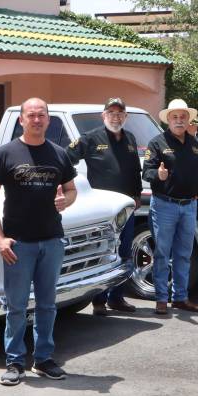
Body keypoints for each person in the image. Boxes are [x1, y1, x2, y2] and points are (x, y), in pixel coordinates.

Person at [0, 97, 78, 386]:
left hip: (51, 241)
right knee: (16, 305)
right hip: (18, 244)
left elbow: (71, 191)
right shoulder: (6, 153)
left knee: (48, 304)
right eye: (31, 115)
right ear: (21, 120)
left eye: (42, 115)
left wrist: (66, 201)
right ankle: (14, 362)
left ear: (48, 120)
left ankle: (43, 359)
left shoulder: (60, 154)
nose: (37, 120)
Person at [67, 97, 141, 315]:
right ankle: (98, 301)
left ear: (125, 116)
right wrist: (69, 184)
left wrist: (136, 195)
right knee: (104, 252)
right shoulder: (91, 138)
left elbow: (135, 169)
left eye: (119, 113)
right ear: (103, 115)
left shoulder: (130, 138)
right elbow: (65, 157)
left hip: (126, 207)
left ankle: (117, 298)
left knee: (125, 251)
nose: (115, 117)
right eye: (111, 113)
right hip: (103, 210)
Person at [143, 99, 198, 315]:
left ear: (188, 120)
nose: (179, 121)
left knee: (183, 254)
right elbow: (147, 173)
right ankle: (161, 299)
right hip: (164, 206)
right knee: (162, 253)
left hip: (190, 206)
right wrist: (158, 175)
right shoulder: (156, 143)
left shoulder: (194, 144)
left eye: (183, 117)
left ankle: (180, 297)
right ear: (168, 120)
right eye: (175, 117)